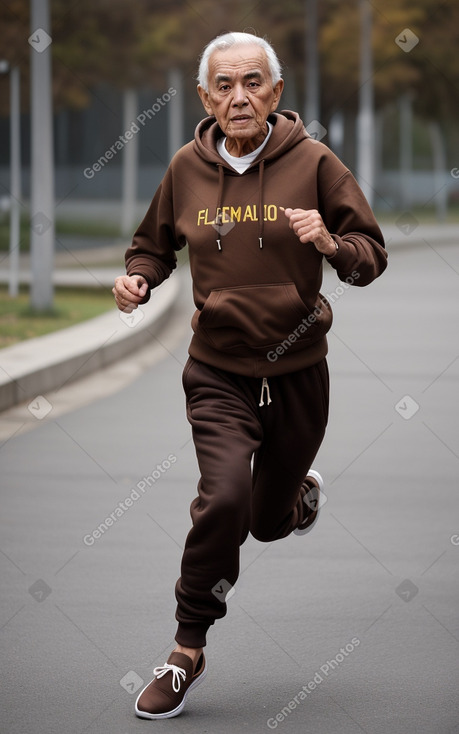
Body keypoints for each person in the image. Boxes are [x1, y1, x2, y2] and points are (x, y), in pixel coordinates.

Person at [112, 31, 388, 720]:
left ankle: (295, 500)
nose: (240, 97)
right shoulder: (185, 168)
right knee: (224, 497)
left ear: (275, 92)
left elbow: (370, 254)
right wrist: (138, 279)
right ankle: (185, 650)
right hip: (217, 372)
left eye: (253, 82)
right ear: (205, 97)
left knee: (266, 523)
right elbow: (153, 246)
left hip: (298, 372)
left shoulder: (315, 162)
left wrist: (329, 243)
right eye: (225, 85)